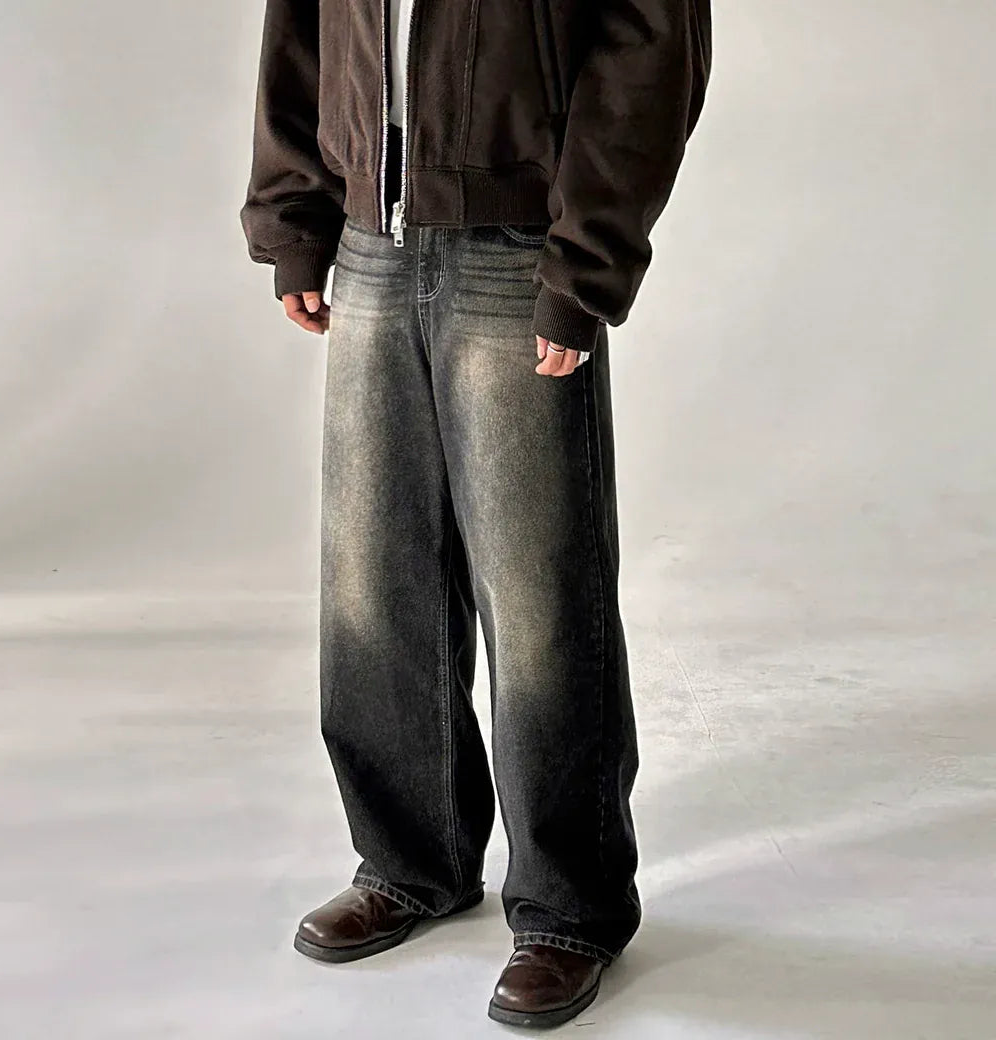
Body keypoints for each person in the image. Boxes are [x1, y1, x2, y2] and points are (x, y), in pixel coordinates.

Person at [241, 0, 711, 1028]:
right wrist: (295, 217)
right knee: (373, 582)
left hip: (520, 245)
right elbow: (300, 30)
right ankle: (411, 861)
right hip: (370, 240)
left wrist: (584, 259)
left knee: (539, 593)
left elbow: (650, 47)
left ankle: (569, 910)